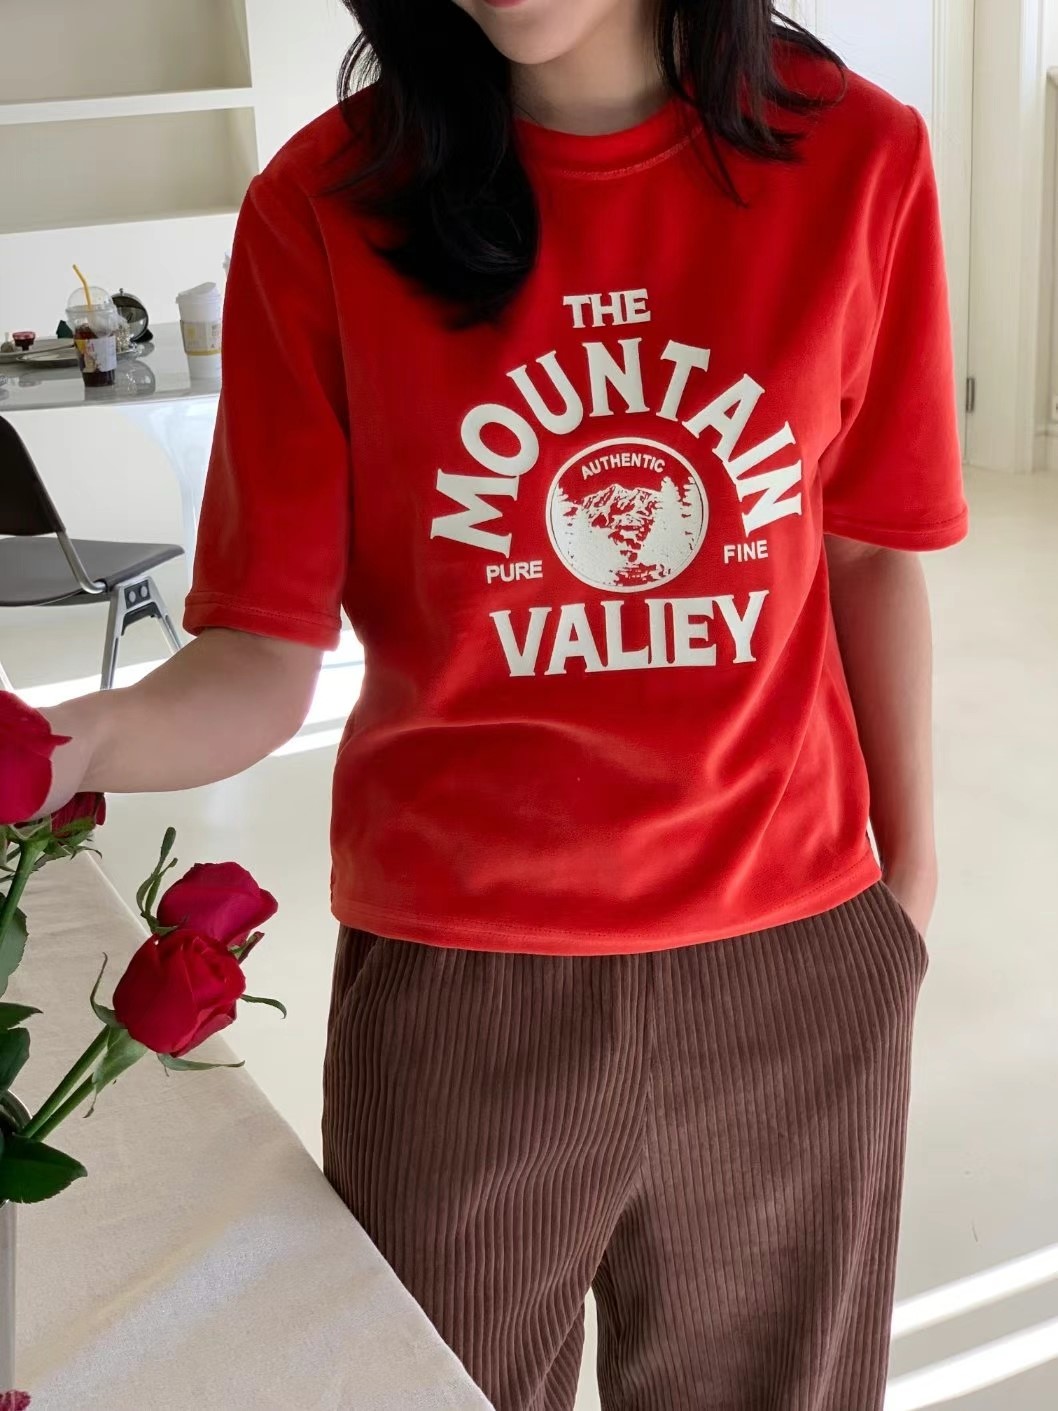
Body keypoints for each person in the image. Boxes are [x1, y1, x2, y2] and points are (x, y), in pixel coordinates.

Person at [41, 1, 968, 1406]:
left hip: (791, 962)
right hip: (462, 988)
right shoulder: (325, 207)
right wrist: (73, 743)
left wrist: (901, 897)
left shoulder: (856, 157)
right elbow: (260, 650)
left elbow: (868, 554)